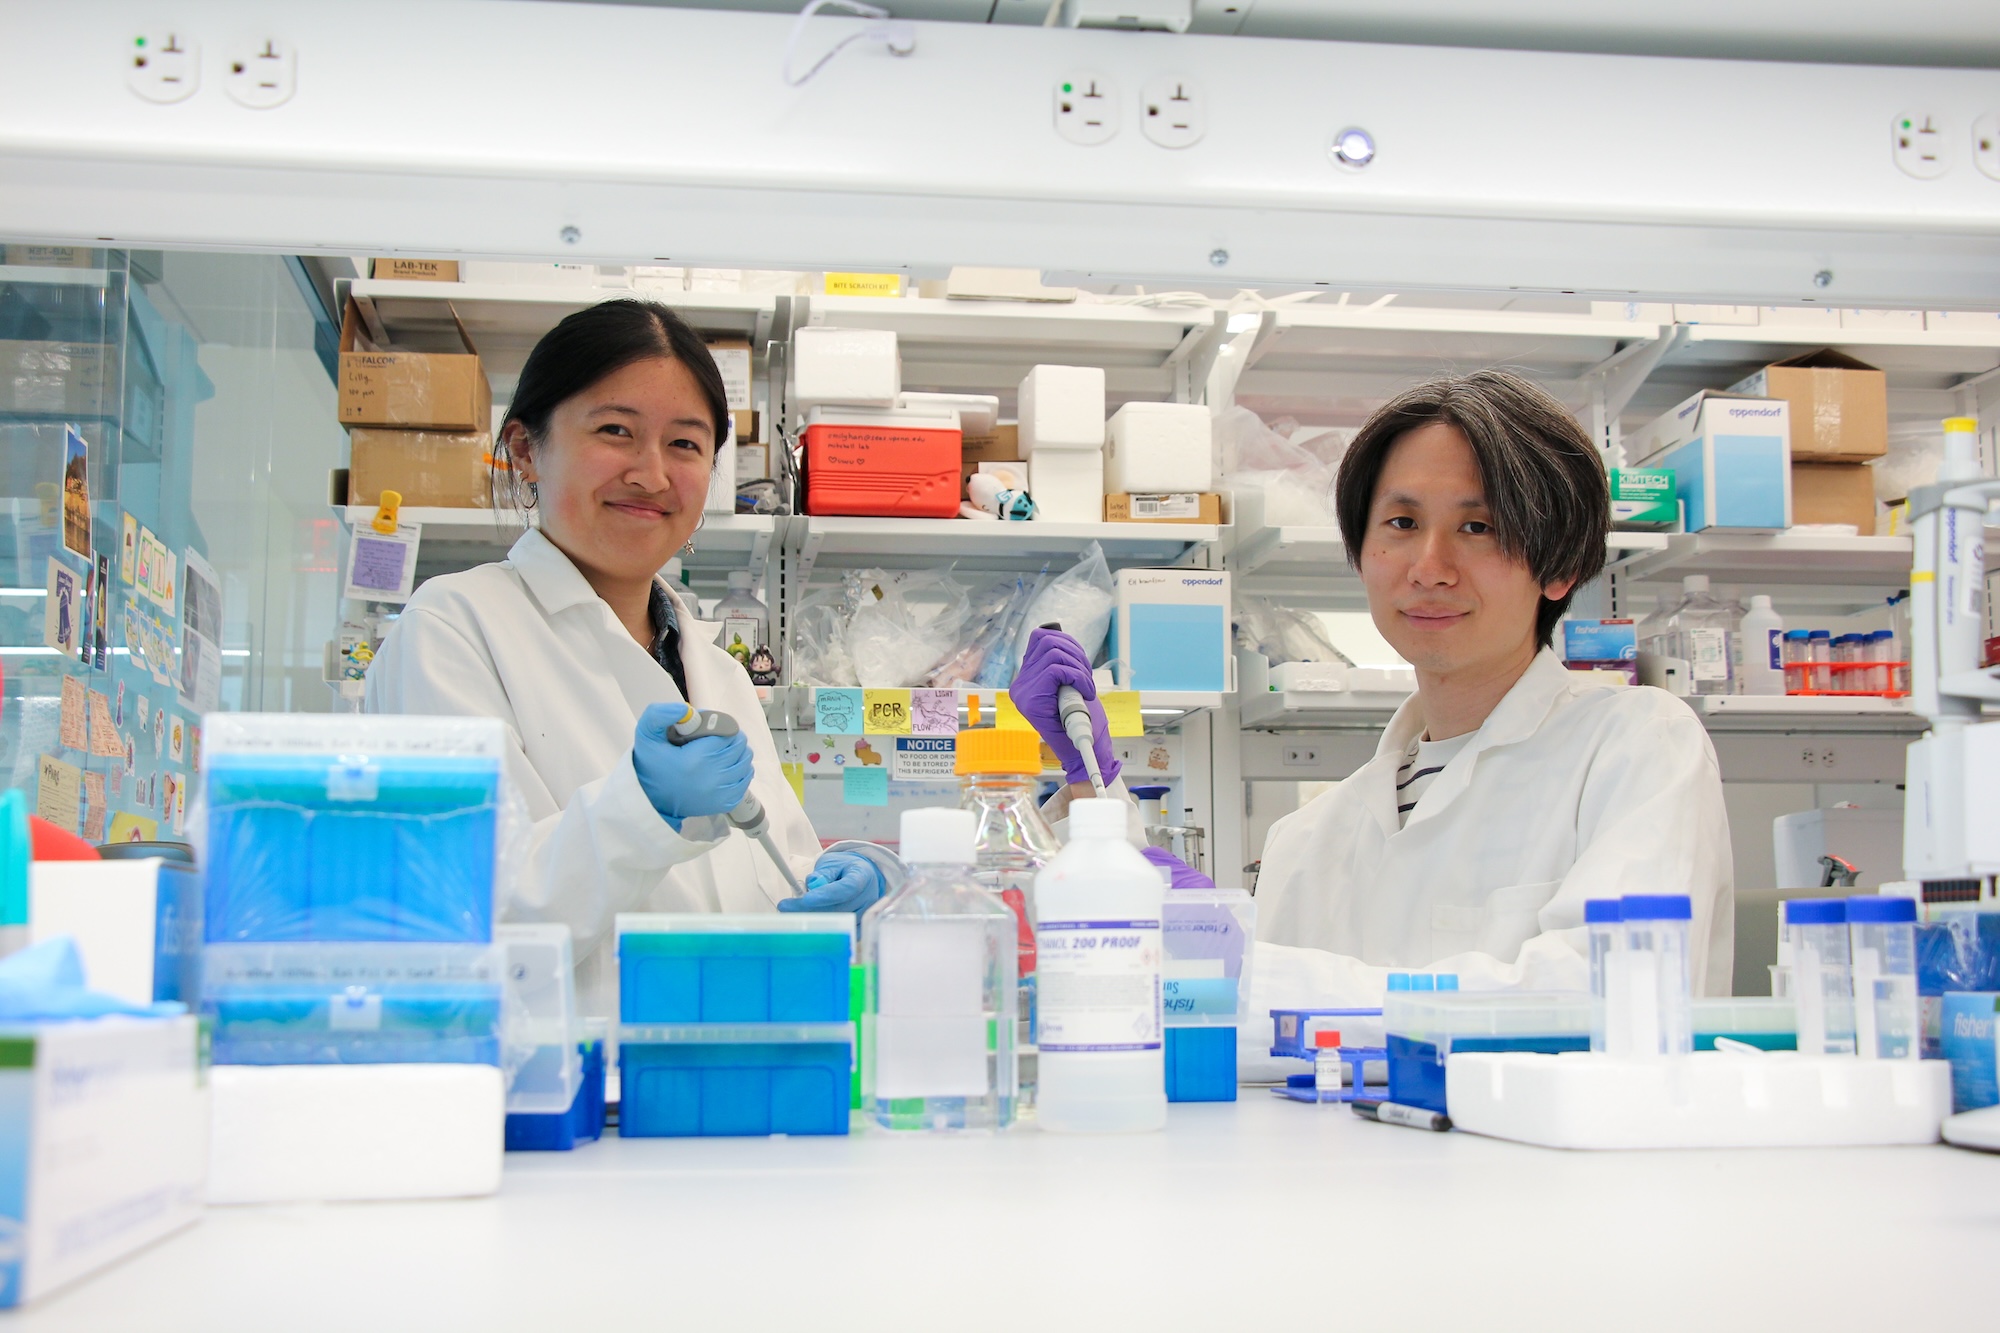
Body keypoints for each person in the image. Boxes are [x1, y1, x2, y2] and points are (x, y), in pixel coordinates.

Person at [1014, 370, 1732, 1009]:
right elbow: (1249, 1041)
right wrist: (1098, 799)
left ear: (1559, 567)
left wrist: (1249, 965)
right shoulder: (1309, 839)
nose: (1429, 565)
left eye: (1477, 526)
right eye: (1401, 523)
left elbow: (1615, 1000)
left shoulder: (1638, 746)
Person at [365, 300, 894, 1016]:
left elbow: (776, 876)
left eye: (685, 444)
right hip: (559, 1103)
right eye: (616, 431)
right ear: (525, 449)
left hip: (730, 1080)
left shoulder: (722, 671)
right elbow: (465, 924)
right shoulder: (453, 628)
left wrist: (843, 885)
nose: (651, 474)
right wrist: (643, 807)